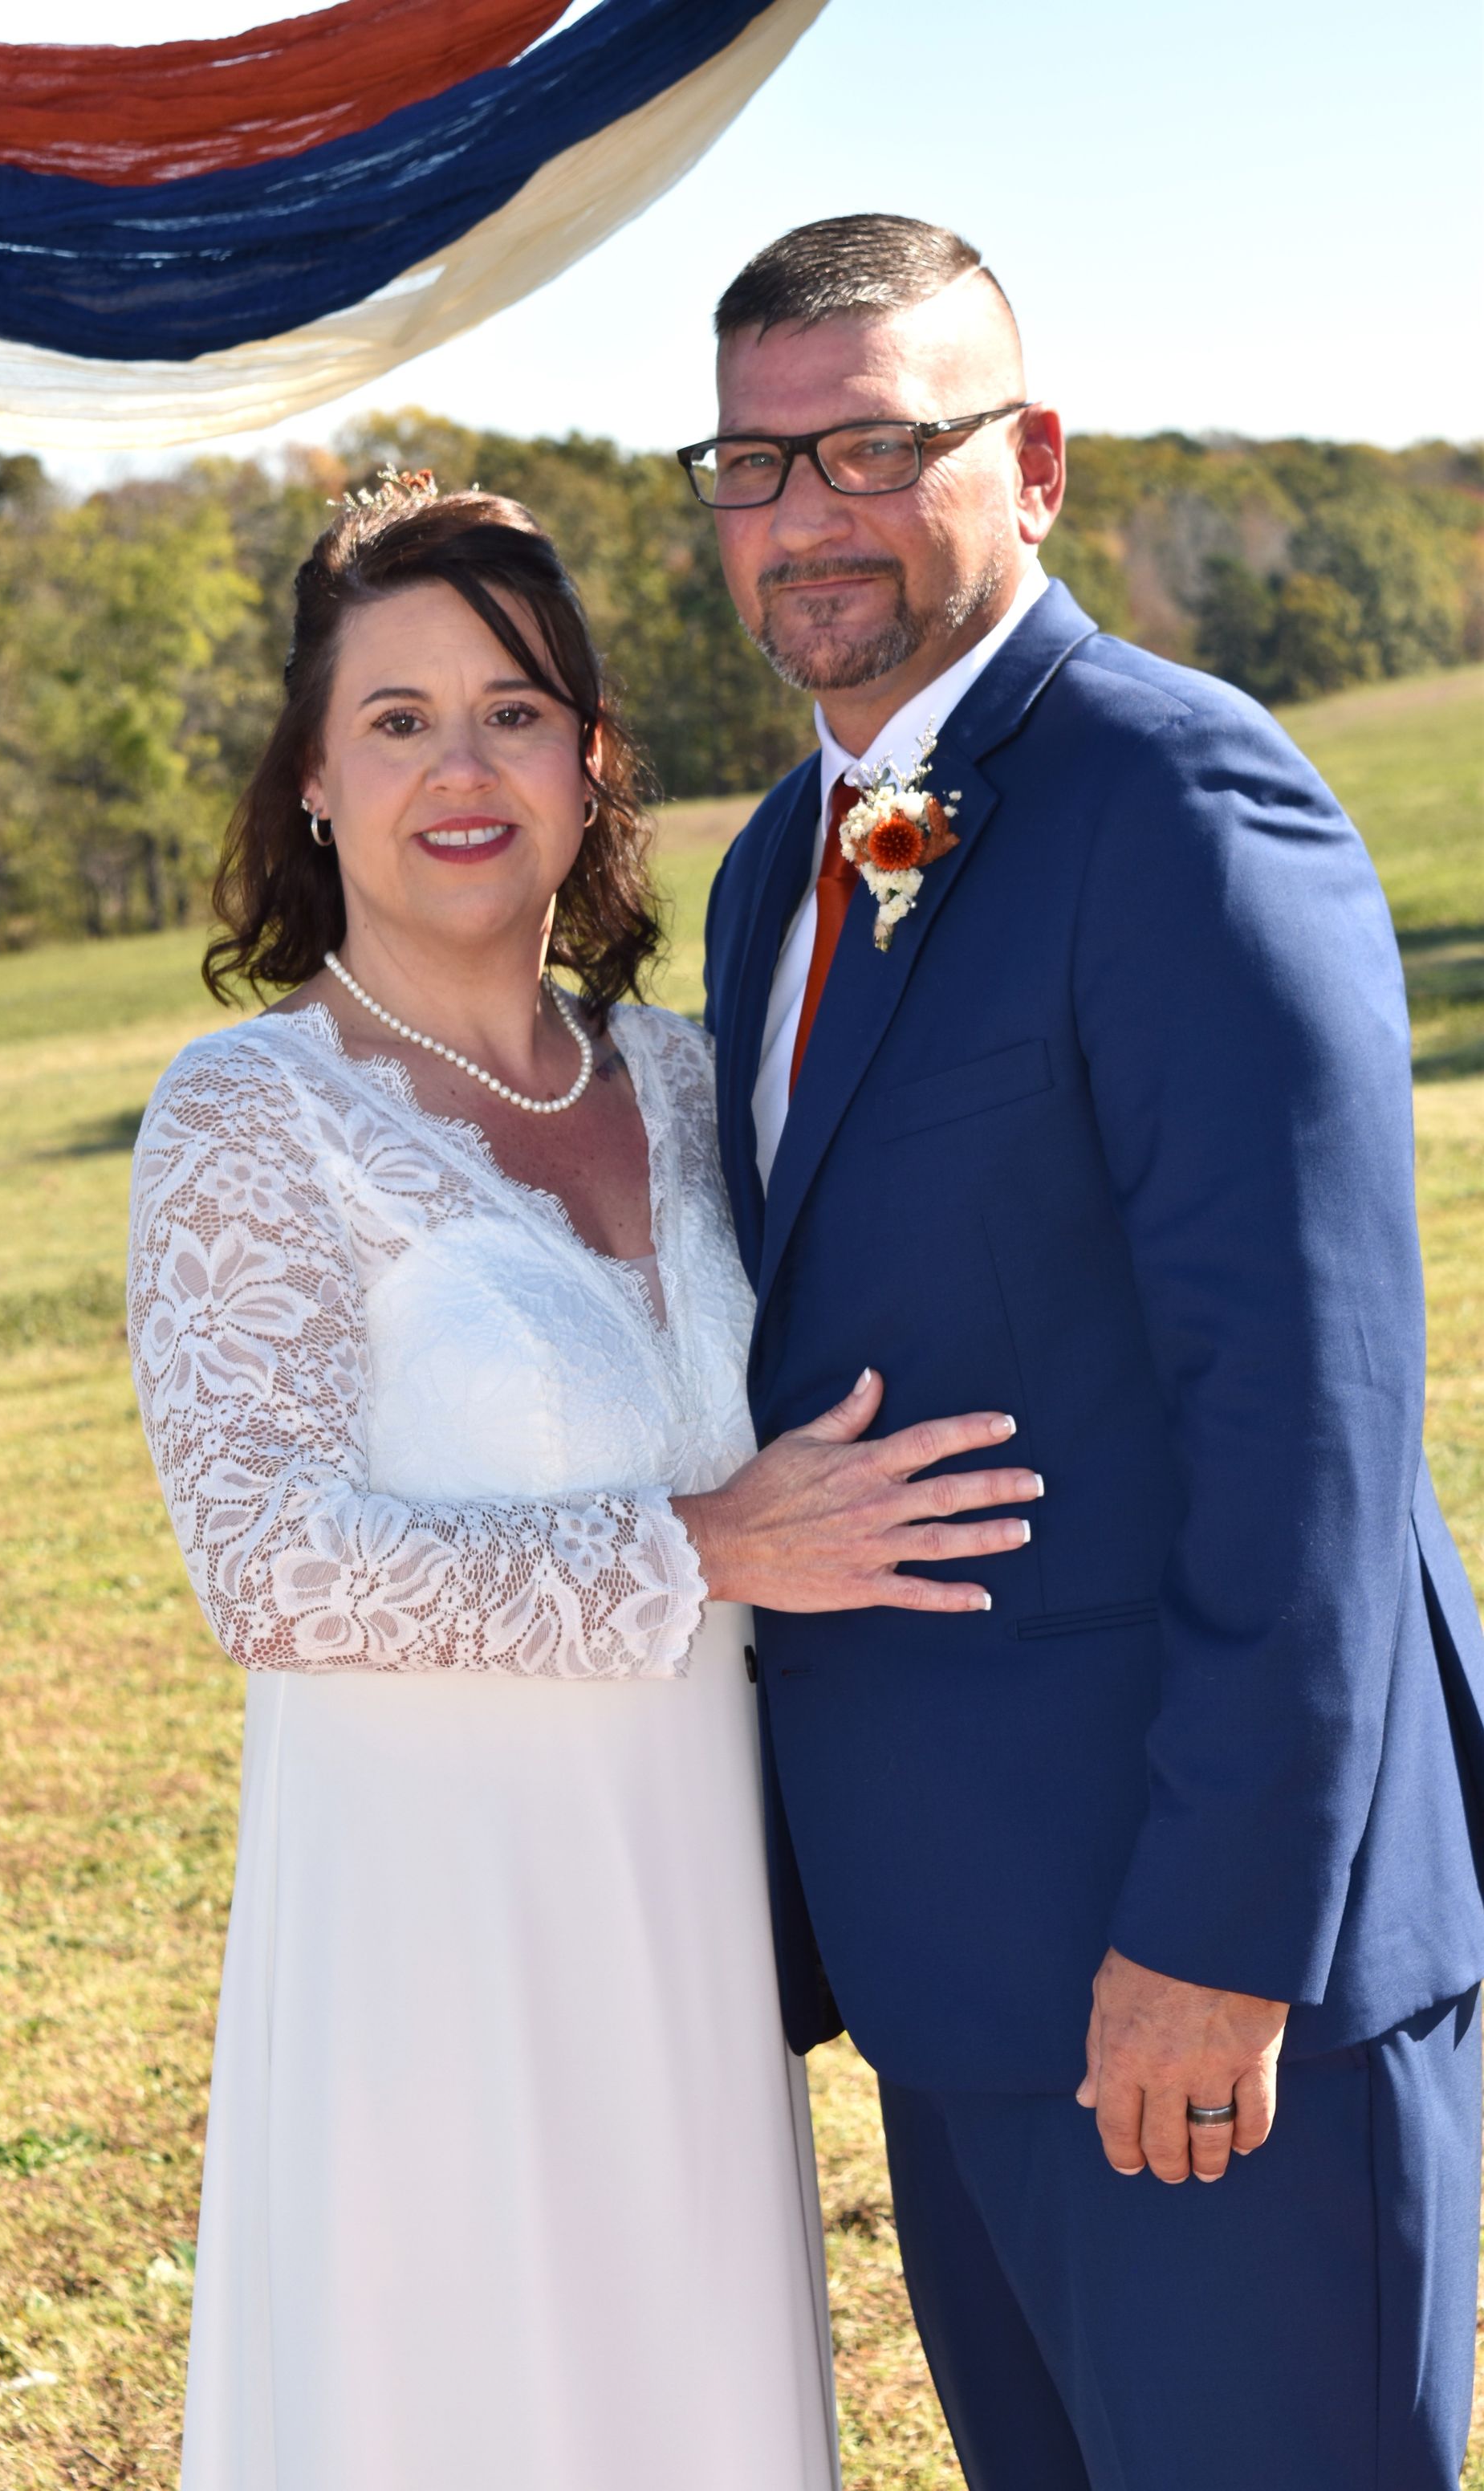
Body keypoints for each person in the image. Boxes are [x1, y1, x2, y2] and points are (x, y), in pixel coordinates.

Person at [127, 473, 1042, 2491]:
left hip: (689, 1918)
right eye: (397, 719)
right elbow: (265, 1561)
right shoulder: (247, 1114)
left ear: (591, 759)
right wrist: (706, 1544)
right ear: (309, 780)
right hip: (430, 1933)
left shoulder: (697, 1084)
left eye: (516, 709)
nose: (463, 768)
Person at [692, 214, 1484, 2490]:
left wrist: (1220, 1940)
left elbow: (1312, 1420)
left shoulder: (1183, 803)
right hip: (957, 1975)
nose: (805, 510)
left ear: (1030, 464)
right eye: (752, 462)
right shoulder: (774, 872)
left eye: (871, 443)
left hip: (1213, 1986)